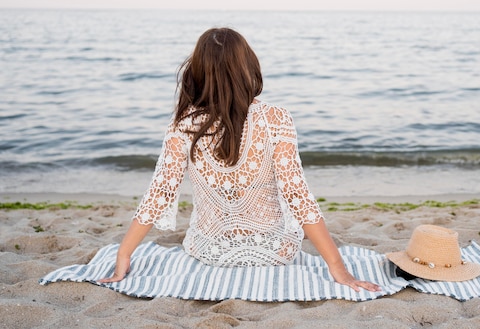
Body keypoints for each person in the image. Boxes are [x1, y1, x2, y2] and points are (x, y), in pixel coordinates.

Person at [98, 27, 380, 293]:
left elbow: (161, 193)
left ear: (198, 71)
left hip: (209, 251)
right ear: (247, 67)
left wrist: (123, 254)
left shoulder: (183, 123)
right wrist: (337, 267)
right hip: (274, 251)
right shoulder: (276, 118)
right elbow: (297, 195)